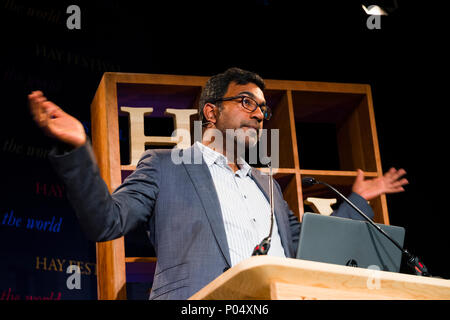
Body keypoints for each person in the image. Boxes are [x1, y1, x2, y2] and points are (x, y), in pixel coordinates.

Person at [28, 67, 408, 300]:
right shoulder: (166, 165)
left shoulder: (269, 186)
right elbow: (105, 221)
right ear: (211, 112)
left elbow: (310, 252)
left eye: (263, 108)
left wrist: (358, 198)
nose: (259, 115)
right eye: (246, 102)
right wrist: (77, 145)